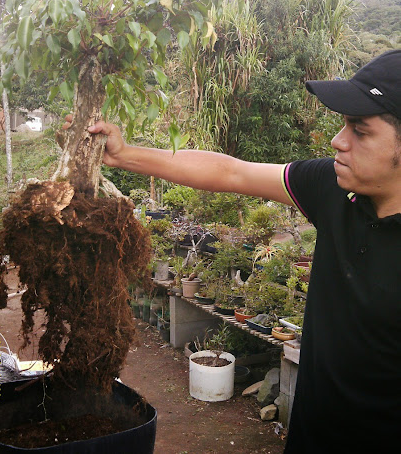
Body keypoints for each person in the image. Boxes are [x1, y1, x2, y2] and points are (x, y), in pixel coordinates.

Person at [81, 49, 401, 453]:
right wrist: (125, 155)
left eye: (360, 129)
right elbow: (231, 171)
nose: (339, 141)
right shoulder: (336, 190)